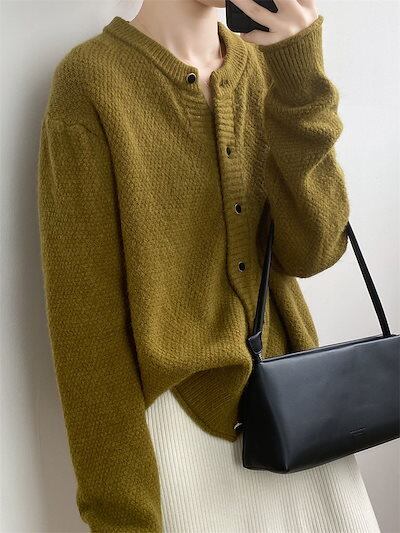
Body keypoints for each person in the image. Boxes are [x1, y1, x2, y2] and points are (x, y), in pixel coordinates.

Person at [36, 0, 382, 530]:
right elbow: (86, 330)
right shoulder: (91, 82)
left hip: (300, 421)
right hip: (179, 441)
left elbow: (314, 251)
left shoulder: (265, 66)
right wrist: (122, 516)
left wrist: (300, 78)